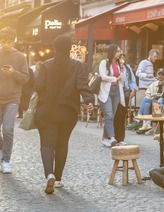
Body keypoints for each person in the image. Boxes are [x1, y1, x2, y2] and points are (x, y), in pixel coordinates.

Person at [35, 35, 95, 193]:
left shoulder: (46, 65)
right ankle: (59, 178)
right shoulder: (78, 66)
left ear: (54, 48)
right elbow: (83, 85)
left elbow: (39, 87)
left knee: (47, 144)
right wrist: (89, 101)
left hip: (47, 110)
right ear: (69, 48)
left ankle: (49, 175)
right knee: (62, 144)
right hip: (68, 111)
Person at [0, 27, 30, 173]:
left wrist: (13, 73)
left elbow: (25, 78)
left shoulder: (20, 57)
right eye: (3, 42)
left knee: (8, 129)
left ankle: (6, 160)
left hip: (12, 98)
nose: (6, 45)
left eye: (8, 42)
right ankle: (1, 150)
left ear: (14, 41)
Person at [97, 44, 126, 147]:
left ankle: (104, 138)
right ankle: (112, 138)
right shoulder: (104, 62)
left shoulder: (118, 64)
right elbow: (103, 76)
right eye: (117, 51)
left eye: (119, 51)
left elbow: (123, 78)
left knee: (111, 116)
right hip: (106, 91)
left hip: (116, 91)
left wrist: (122, 68)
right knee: (108, 115)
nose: (119, 53)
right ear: (112, 52)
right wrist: (115, 79)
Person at [113, 54, 138, 144]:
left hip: (125, 92)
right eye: (120, 58)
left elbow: (132, 80)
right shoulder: (114, 66)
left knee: (122, 115)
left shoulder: (127, 68)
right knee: (116, 115)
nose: (122, 59)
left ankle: (120, 138)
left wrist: (133, 89)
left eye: (123, 57)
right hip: (115, 92)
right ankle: (113, 137)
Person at [135, 68, 164, 134]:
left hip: (162, 102)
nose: (160, 76)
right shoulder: (154, 84)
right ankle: (146, 124)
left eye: (162, 74)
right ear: (157, 75)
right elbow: (148, 93)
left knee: (149, 101)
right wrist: (152, 96)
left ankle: (140, 118)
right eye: (159, 74)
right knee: (146, 103)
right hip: (153, 100)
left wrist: (157, 95)